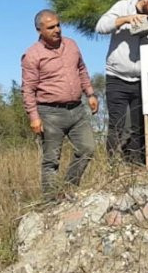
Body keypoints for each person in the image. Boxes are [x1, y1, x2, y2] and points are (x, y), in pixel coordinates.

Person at [20, 10, 99, 196]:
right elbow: (28, 89)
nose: (57, 30)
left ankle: (68, 189)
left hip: (77, 110)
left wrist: (91, 94)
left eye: (58, 25)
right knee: (51, 161)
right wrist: (34, 117)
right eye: (51, 27)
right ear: (39, 30)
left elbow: (82, 69)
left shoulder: (71, 45)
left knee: (87, 148)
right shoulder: (32, 55)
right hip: (50, 114)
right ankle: (50, 202)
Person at [95, 0, 148, 165]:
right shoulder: (123, 6)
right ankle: (112, 166)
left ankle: (136, 165)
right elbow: (100, 27)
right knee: (117, 125)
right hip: (117, 76)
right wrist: (126, 19)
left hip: (142, 79)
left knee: (139, 126)